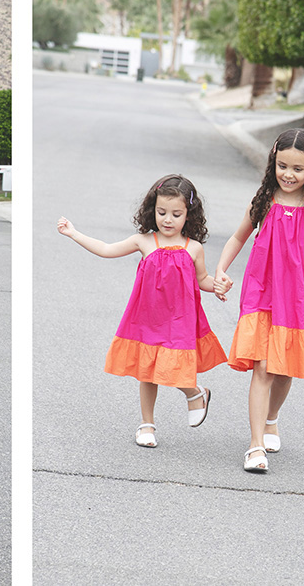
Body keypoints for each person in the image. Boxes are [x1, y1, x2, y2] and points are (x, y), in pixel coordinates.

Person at [57, 175, 227, 448]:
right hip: (148, 318)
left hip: (180, 320)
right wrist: (74, 233)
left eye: (176, 214)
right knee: (147, 371)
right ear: (152, 210)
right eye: (162, 212)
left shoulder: (193, 248)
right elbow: (106, 249)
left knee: (173, 367)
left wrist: (217, 286)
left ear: (189, 215)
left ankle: (195, 393)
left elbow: (202, 279)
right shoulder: (144, 241)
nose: (168, 220)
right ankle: (147, 423)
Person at [213, 128, 304, 473]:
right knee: (263, 367)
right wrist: (221, 270)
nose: (288, 174)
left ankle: (272, 417)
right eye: (282, 166)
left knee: (285, 372)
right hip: (260, 293)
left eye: (297, 169)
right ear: (273, 163)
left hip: (297, 300)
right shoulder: (265, 200)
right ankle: (255, 447)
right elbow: (238, 237)